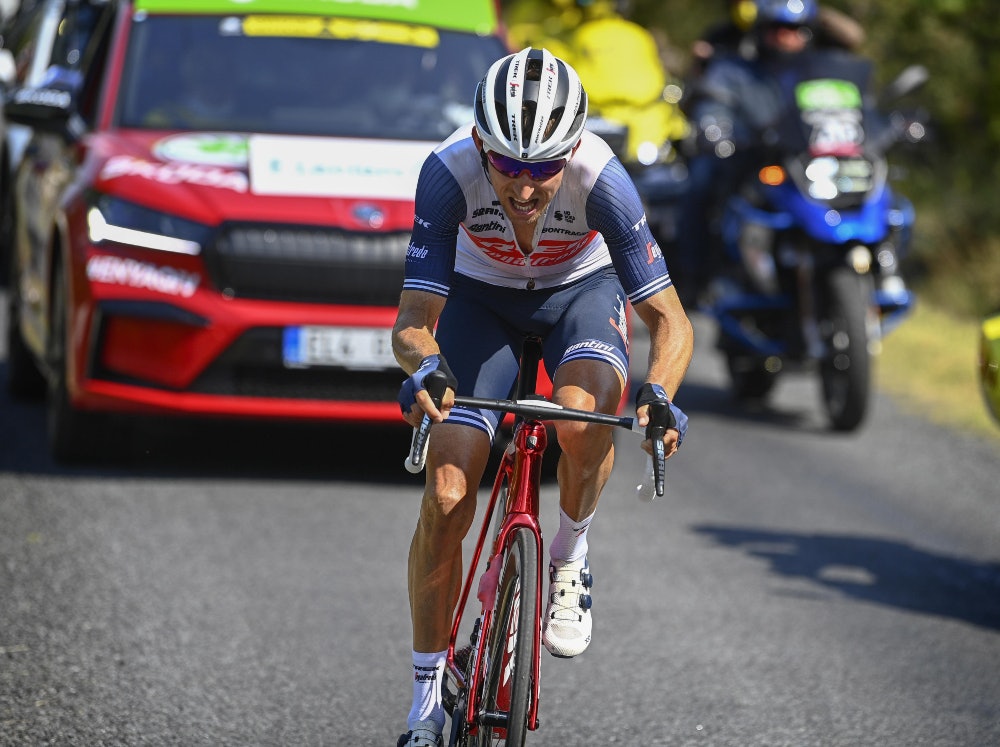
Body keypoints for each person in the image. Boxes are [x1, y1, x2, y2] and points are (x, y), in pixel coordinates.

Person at [391, 47, 693, 746]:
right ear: (478, 144)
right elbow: (412, 322)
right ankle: (424, 705)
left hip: (578, 297)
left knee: (586, 421)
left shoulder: (605, 181)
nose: (525, 188)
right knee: (444, 493)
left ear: (574, 150)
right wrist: (428, 366)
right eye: (508, 166)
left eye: (544, 168)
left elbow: (670, 320)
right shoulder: (445, 176)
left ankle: (570, 553)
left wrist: (661, 394)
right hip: (479, 303)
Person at [674, 0, 823, 302]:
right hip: (748, 160)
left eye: (795, 29)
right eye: (778, 28)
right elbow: (713, 104)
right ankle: (692, 276)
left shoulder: (820, 72)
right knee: (700, 182)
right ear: (761, 29)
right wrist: (715, 129)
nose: (786, 36)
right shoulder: (734, 70)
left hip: (811, 167)